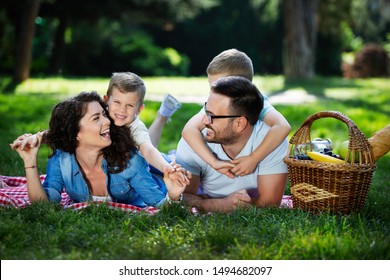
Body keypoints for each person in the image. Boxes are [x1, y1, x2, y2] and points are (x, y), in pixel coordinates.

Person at [10, 91, 190, 206]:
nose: (107, 121)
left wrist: (173, 195)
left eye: (104, 114)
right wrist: (29, 161)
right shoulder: (62, 159)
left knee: (170, 158)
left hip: (158, 170)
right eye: (97, 118)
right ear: (76, 134)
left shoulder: (130, 161)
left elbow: (160, 206)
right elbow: (44, 205)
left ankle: (162, 116)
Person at [15, 72, 182, 177]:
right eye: (117, 102)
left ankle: (162, 115)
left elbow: (149, 150)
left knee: (159, 167)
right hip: (122, 162)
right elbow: (68, 128)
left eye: (130, 106)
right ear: (106, 100)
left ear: (139, 109)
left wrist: (166, 168)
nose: (122, 110)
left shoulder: (134, 126)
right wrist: (37, 137)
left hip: (149, 161)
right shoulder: (100, 113)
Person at [176, 76, 288, 213]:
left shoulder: (271, 141)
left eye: (212, 116)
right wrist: (215, 205)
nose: (204, 121)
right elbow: (179, 197)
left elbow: (270, 203)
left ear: (239, 124)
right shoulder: (195, 141)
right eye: (205, 112)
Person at [181, 49, 291, 179]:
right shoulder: (216, 105)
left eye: (218, 86)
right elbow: (189, 129)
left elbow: (283, 126)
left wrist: (253, 158)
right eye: (211, 86)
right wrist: (214, 162)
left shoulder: (258, 103)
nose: (212, 92)